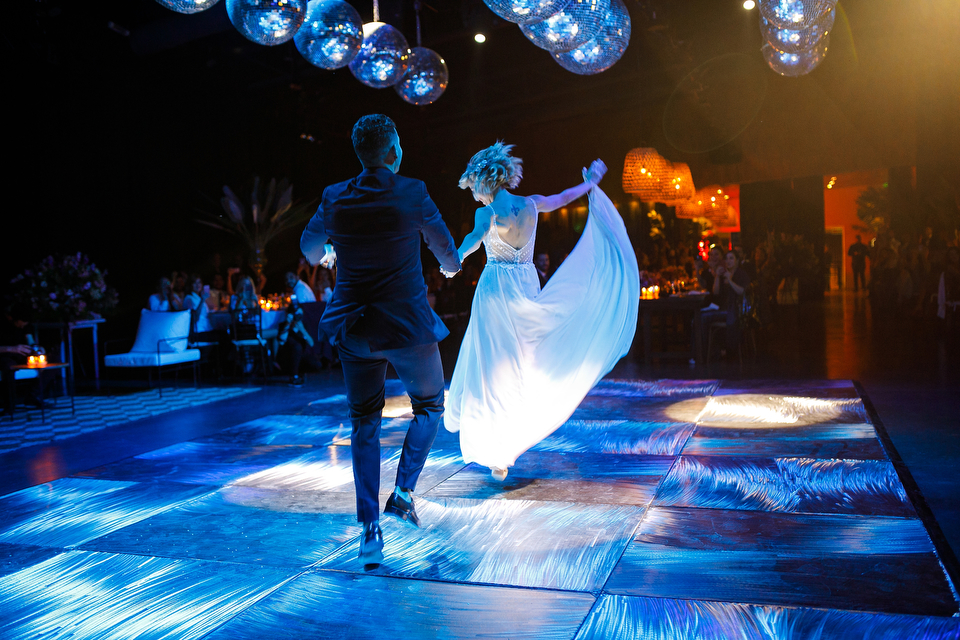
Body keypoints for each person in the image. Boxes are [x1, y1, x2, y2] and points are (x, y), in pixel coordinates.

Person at [300, 114, 461, 567]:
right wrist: (449, 268)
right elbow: (444, 249)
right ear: (393, 152)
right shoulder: (412, 191)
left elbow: (310, 247)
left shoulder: (335, 196)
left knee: (364, 423)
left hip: (355, 329)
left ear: (361, 153)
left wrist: (330, 252)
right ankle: (404, 492)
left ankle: (370, 528)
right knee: (429, 406)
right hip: (408, 327)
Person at [445, 142, 639, 481]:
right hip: (525, 283)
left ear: (484, 182)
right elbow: (564, 196)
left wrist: (456, 258)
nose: (473, 194)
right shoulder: (530, 205)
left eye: (473, 187)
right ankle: (507, 441)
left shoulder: (486, 213)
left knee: (494, 366)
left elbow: (476, 238)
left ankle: (499, 450)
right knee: (525, 360)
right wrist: (591, 181)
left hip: (497, 291)